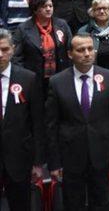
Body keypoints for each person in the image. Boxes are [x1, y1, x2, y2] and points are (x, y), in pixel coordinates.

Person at [45, 33, 109, 210]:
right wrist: (54, 162)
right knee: (73, 203)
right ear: (70, 54)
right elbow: (51, 125)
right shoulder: (57, 82)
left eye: (90, 49)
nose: (87, 53)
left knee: (102, 202)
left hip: (101, 154)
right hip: (70, 156)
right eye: (81, 50)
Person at [0, 28, 45, 210]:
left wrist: (37, 162)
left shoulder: (28, 79)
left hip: (19, 160)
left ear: (13, 49)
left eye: (4, 49)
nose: (0, 54)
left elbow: (37, 123)